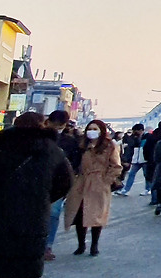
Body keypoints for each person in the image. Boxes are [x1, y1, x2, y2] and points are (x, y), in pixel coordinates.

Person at [0, 111, 73, 278]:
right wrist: (43, 198)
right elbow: (66, 182)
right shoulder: (53, 151)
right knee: (28, 270)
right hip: (33, 218)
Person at [64, 120, 120, 257]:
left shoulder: (109, 146)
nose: (92, 132)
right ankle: (81, 244)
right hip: (81, 182)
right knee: (79, 214)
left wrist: (106, 181)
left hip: (99, 183)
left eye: (95, 129)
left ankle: (94, 245)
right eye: (90, 129)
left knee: (96, 215)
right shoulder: (82, 145)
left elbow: (116, 166)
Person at [44, 111, 80, 261]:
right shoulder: (39, 138)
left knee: (53, 214)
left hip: (57, 184)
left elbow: (75, 162)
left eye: (61, 126)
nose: (58, 129)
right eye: (55, 126)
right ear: (48, 122)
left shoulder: (69, 141)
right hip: (37, 183)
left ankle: (47, 246)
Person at [115, 123, 146, 196]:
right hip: (136, 159)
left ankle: (148, 189)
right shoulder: (133, 138)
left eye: (135, 131)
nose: (134, 133)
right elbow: (129, 150)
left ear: (140, 130)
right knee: (132, 174)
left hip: (144, 159)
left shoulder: (146, 137)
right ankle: (126, 190)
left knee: (146, 175)